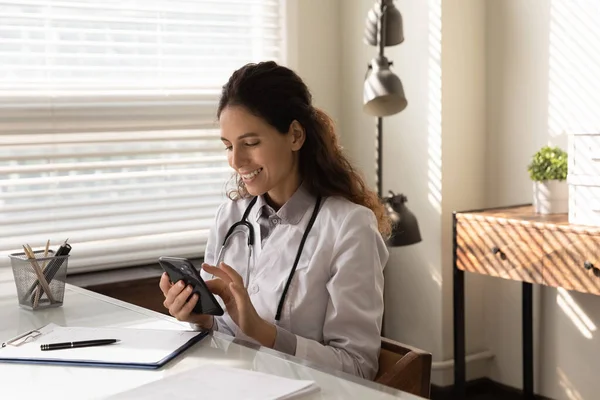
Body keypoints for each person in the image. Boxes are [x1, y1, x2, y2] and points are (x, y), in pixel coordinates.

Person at [159, 61, 390, 380]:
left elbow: (358, 367)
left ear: (295, 135)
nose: (236, 161)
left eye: (251, 143)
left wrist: (266, 334)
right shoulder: (230, 217)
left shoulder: (350, 227)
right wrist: (202, 318)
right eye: (228, 146)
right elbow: (225, 329)